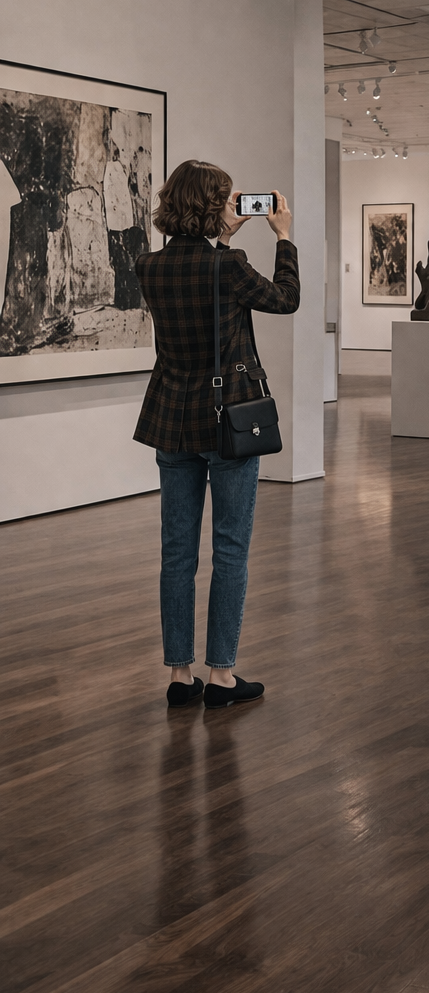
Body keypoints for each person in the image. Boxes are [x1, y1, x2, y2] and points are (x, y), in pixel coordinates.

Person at [134, 160, 300, 708]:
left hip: (170, 420)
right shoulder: (228, 267)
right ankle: (222, 676)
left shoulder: (148, 267)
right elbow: (285, 299)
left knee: (176, 553)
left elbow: (195, 277)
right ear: (214, 207)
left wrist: (222, 238)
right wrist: (284, 238)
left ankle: (180, 676)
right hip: (228, 420)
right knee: (230, 549)